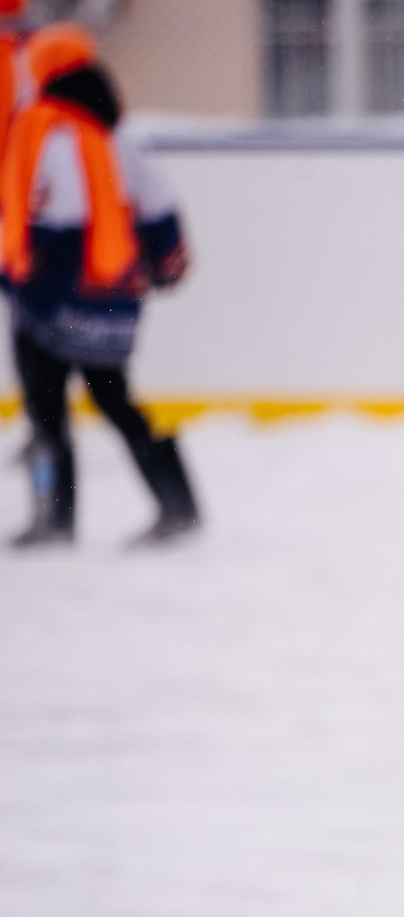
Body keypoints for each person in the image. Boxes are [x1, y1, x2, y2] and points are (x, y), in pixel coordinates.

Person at [1, 23, 194, 549]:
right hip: (111, 300)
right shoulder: (119, 135)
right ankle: (178, 503)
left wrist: (26, 288)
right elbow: (159, 213)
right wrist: (162, 265)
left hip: (48, 302)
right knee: (117, 401)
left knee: (46, 414)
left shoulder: (37, 132)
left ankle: (54, 518)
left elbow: (40, 225)